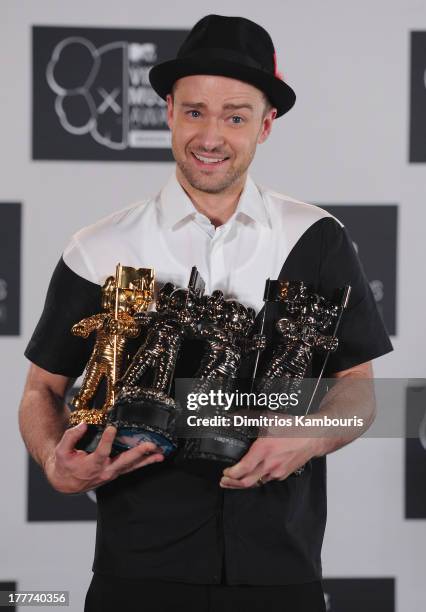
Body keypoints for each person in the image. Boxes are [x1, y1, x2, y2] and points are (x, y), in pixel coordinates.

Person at [19, 14, 393, 612]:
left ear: (266, 125)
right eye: (195, 111)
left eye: (235, 116)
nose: (210, 135)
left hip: (280, 571)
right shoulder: (99, 247)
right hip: (137, 571)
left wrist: (307, 436)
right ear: (168, 111)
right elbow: (41, 390)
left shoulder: (316, 237)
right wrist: (51, 457)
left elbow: (361, 392)